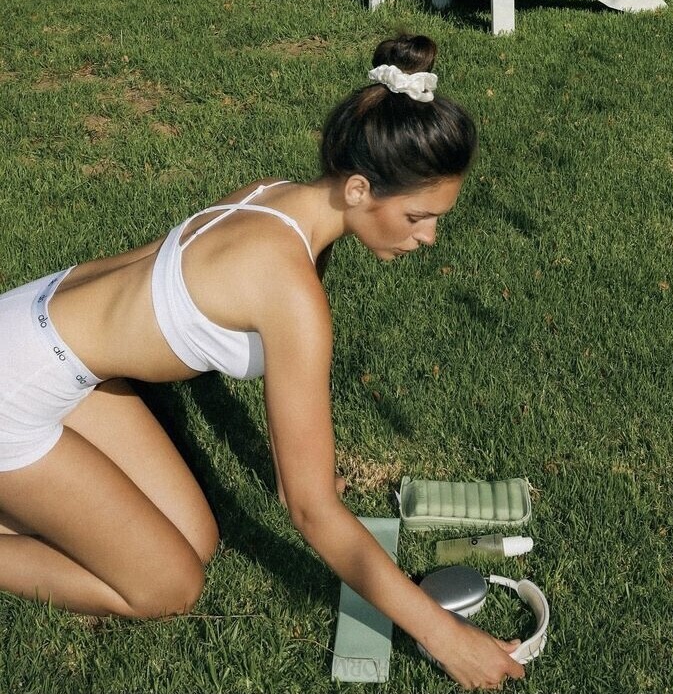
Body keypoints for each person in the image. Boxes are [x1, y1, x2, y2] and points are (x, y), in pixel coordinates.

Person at [0, 34, 525, 690]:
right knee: (169, 586)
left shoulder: (278, 196)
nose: (429, 236)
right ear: (359, 188)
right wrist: (446, 637)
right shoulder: (291, 292)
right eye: (418, 216)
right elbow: (309, 510)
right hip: (15, 389)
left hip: (33, 327)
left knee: (194, 537)